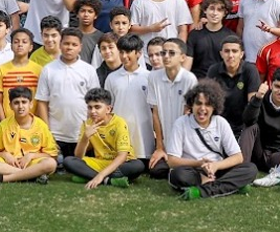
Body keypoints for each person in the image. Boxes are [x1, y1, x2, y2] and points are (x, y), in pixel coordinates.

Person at [164, 79, 257, 199]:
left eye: (207, 104)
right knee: (177, 175)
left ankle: (204, 191)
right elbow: (172, 160)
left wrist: (216, 166)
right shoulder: (181, 123)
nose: (202, 108)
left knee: (251, 169)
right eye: (199, 103)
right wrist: (199, 163)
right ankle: (230, 186)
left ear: (214, 107)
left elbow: (238, 157)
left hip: (217, 169)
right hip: (193, 170)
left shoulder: (220, 122)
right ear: (191, 104)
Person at [35, 28, 100, 158]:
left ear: (80, 47)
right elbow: (42, 102)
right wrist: (47, 132)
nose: (69, 47)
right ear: (60, 45)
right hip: (56, 133)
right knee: (57, 162)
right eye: (66, 43)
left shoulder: (89, 70)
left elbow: (96, 103)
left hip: (81, 133)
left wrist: (90, 129)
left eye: (74, 44)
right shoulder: (48, 70)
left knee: (79, 162)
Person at [62, 88, 145, 188]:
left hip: (121, 164)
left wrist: (100, 175)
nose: (93, 111)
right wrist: (85, 137)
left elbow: (122, 156)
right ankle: (109, 180)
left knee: (138, 165)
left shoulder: (119, 123)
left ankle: (91, 176)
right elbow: (78, 156)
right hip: (100, 163)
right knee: (69, 161)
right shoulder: (87, 124)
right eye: (90, 107)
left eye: (97, 107)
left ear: (108, 109)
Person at [0, 86, 59, 184]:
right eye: (16, 103)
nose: (20, 106)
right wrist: (5, 155)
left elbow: (51, 155)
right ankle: (32, 175)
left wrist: (31, 155)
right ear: (11, 106)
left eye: (24, 102)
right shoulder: (3, 125)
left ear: (31, 104)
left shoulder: (41, 126)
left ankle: (4, 179)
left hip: (32, 164)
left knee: (51, 164)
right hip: (8, 164)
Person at [147, 38, 198, 177]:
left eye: (171, 53)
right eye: (163, 53)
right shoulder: (153, 77)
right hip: (165, 142)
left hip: (185, 143)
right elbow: (155, 113)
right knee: (156, 171)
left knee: (179, 171)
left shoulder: (190, 79)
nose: (166, 57)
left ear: (182, 57)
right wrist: (159, 147)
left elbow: (188, 115)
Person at [104, 31, 153, 165]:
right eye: (121, 52)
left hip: (144, 135)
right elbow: (109, 108)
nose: (124, 56)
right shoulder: (112, 78)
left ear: (138, 53)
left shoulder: (149, 77)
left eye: (128, 52)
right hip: (120, 135)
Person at [239, 69, 280, 171]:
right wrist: (258, 98)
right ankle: (241, 168)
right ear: (271, 85)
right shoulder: (261, 99)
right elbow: (247, 120)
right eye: (277, 86)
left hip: (278, 155)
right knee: (251, 127)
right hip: (258, 150)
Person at [204, 34, 259, 135]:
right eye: (227, 51)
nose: (230, 55)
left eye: (234, 51)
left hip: (244, 126)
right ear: (221, 54)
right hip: (219, 126)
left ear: (241, 54)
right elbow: (209, 100)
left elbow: (252, 103)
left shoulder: (250, 70)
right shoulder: (213, 70)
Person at [0, 28, 43, 118]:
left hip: (32, 122)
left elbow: (41, 100)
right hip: (8, 122)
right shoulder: (2, 69)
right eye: (16, 42)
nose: (20, 45)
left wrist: (36, 122)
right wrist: (3, 121)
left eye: (24, 42)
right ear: (11, 46)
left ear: (31, 47)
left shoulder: (39, 70)